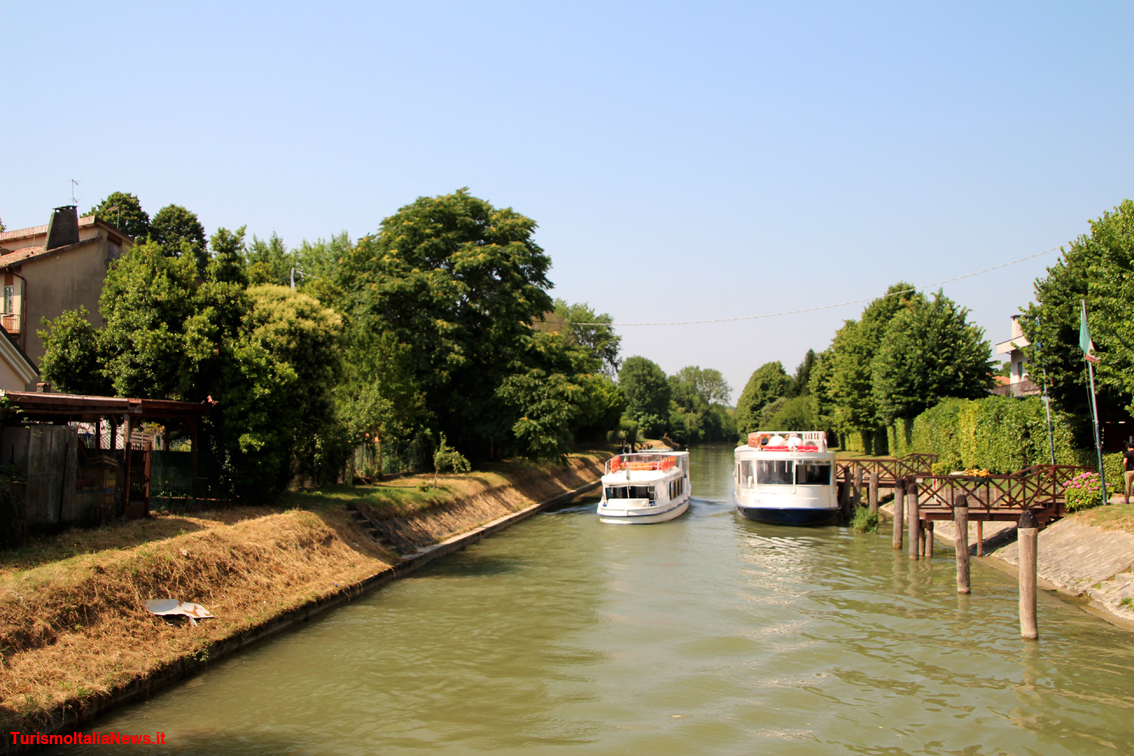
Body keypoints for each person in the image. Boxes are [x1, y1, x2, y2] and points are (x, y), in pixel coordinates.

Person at [1124, 437, 1134, 505]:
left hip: (1129, 471)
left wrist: (1125, 469)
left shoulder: (1127, 453)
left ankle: (1126, 500)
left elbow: (1125, 462)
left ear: (1129, 447)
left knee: (1128, 485)